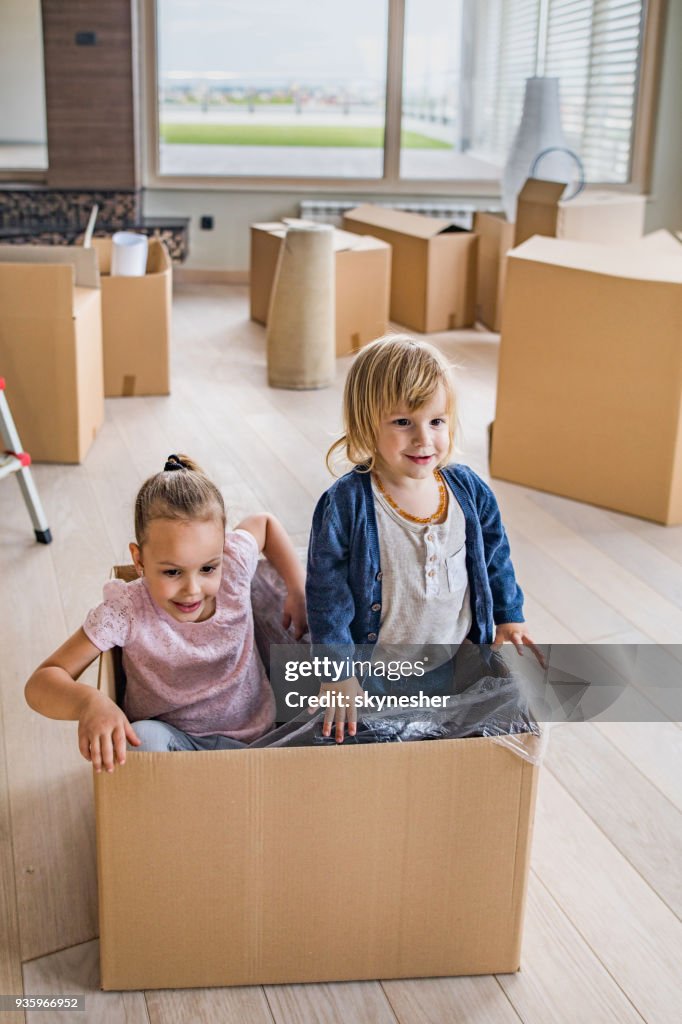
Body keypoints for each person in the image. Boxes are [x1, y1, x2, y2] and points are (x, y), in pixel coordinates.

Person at [306, 335, 542, 743]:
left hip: (452, 661)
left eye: (436, 421)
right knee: (356, 740)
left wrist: (508, 614)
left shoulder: (467, 490)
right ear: (367, 422)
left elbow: (494, 555)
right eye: (403, 422)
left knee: (478, 727)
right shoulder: (347, 504)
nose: (423, 438)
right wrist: (337, 674)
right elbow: (327, 594)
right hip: (376, 671)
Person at [25, 454, 306, 771]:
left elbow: (264, 523)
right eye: (172, 572)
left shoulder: (233, 565)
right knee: (140, 742)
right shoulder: (127, 609)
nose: (192, 588)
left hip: (260, 739)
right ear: (139, 559)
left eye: (207, 568)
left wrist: (297, 589)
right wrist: (90, 701)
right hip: (177, 745)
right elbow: (41, 682)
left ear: (222, 549)